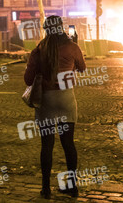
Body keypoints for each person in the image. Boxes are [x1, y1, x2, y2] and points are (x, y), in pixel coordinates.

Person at [24, 16, 86, 199]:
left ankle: (46, 189)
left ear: (45, 30)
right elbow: (82, 67)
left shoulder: (39, 50)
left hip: (47, 101)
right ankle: (73, 187)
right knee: (68, 144)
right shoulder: (72, 47)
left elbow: (28, 80)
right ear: (61, 28)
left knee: (47, 146)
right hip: (67, 99)